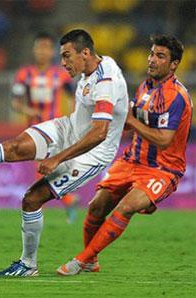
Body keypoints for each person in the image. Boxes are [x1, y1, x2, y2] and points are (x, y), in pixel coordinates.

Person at [0, 29, 129, 276]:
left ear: (85, 52)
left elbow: (99, 133)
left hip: (92, 154)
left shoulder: (106, 82)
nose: (62, 63)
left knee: (31, 199)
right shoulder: (93, 67)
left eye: (66, 56)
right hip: (68, 129)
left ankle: (28, 264)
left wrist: (57, 158)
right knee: (13, 147)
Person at [57, 35, 192, 276]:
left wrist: (129, 120)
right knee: (96, 207)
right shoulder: (145, 87)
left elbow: (163, 139)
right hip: (131, 160)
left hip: (163, 169)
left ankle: (81, 261)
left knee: (125, 207)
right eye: (151, 53)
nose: (151, 60)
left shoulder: (177, 96)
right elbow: (131, 121)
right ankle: (91, 260)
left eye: (160, 56)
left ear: (174, 64)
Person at [11, 31, 79, 224]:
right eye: (39, 47)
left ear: (52, 51)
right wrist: (27, 109)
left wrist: (74, 119)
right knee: (45, 168)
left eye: (46, 48)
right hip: (33, 129)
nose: (42, 51)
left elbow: (75, 97)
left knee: (42, 168)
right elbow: (15, 102)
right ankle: (68, 200)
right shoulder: (25, 74)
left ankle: (38, 208)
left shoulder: (61, 74)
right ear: (34, 50)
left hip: (55, 129)